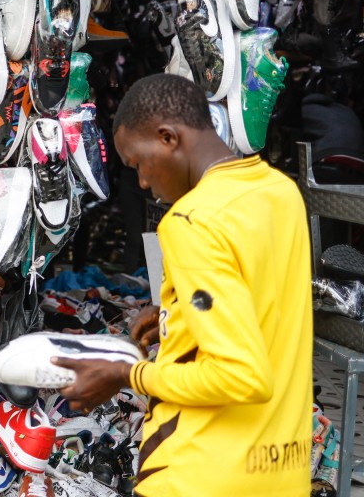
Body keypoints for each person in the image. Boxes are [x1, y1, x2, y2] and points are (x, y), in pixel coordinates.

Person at [55, 73, 312, 497]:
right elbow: (264, 303)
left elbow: (242, 377)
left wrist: (126, 374)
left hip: (198, 473)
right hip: (282, 472)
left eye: (138, 162)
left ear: (168, 138)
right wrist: (178, 316)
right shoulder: (280, 193)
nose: (140, 183)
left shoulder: (191, 221)